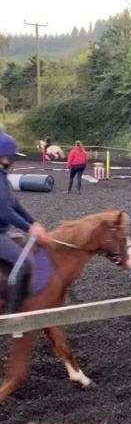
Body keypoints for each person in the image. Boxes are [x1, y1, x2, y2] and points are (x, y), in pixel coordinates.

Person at [0, 131, 46, 313]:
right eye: (10, 157)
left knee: (22, 242)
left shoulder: (2, 177)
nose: (12, 161)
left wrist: (33, 223)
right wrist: (28, 227)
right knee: (26, 262)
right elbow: (5, 211)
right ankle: (15, 313)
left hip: (3, 231)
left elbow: (15, 204)